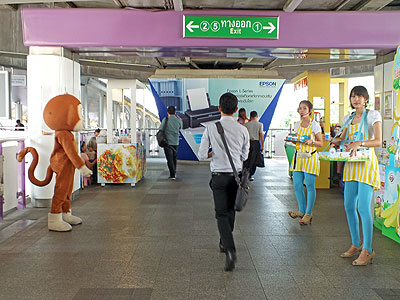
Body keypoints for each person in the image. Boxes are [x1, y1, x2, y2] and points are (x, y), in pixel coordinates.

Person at [198, 92, 250, 272]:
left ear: (219, 108)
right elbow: (244, 155)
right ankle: (224, 241)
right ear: (236, 110)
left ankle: (229, 249)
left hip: (218, 177)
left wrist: (215, 153)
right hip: (235, 177)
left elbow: (202, 155)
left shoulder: (211, 128)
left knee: (221, 213)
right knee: (231, 210)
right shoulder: (243, 129)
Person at [332, 86, 382, 266]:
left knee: (363, 207)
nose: (356, 99)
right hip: (352, 165)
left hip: (367, 165)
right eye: (353, 96)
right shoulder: (348, 118)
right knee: (348, 205)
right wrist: (334, 140)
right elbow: (344, 140)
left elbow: (377, 141)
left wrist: (360, 142)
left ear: (366, 99)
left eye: (359, 96)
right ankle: (356, 243)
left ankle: (368, 249)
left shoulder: (373, 116)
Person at [287, 100, 323, 225]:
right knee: (297, 185)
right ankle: (301, 211)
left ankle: (308, 213)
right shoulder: (297, 124)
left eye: (304, 108)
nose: (301, 110)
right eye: (300, 108)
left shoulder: (315, 125)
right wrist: (292, 141)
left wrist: (312, 142)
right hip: (298, 158)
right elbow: (298, 140)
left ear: (310, 110)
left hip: (310, 158)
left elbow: (321, 143)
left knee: (309, 185)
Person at [159, 106, 183, 180]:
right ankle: (174, 172)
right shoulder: (178, 120)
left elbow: (161, 129)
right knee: (174, 158)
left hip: (167, 143)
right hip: (176, 142)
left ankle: (172, 175)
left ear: (168, 113)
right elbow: (180, 127)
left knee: (169, 159)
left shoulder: (165, 120)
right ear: (175, 112)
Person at [244, 111, 264, 181]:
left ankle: (244, 173)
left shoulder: (246, 125)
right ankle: (250, 175)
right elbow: (261, 135)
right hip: (256, 143)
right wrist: (262, 145)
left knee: (247, 158)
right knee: (254, 159)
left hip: (248, 143)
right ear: (256, 116)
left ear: (250, 116)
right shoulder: (260, 124)